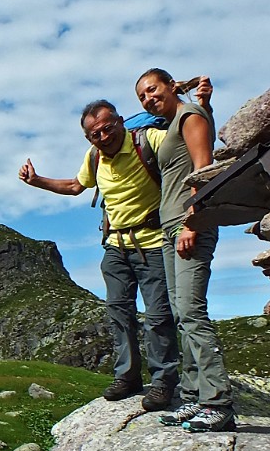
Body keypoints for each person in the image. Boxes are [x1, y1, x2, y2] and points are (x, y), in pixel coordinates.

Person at [19, 101, 178, 409]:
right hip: (115, 245)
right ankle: (128, 377)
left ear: (121, 122)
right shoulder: (94, 158)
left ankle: (163, 382)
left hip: (153, 241)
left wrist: (198, 107)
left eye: (108, 128)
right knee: (119, 312)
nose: (104, 137)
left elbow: (186, 139)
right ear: (88, 138)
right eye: (95, 134)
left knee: (159, 316)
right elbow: (75, 186)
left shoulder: (149, 141)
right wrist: (36, 181)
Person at [134, 68, 235, 433]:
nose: (148, 98)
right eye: (142, 96)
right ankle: (193, 397)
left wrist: (192, 222)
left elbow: (204, 168)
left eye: (152, 90)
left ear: (170, 85)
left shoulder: (188, 116)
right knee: (180, 313)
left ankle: (218, 402)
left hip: (188, 225)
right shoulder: (177, 120)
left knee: (192, 311)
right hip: (169, 229)